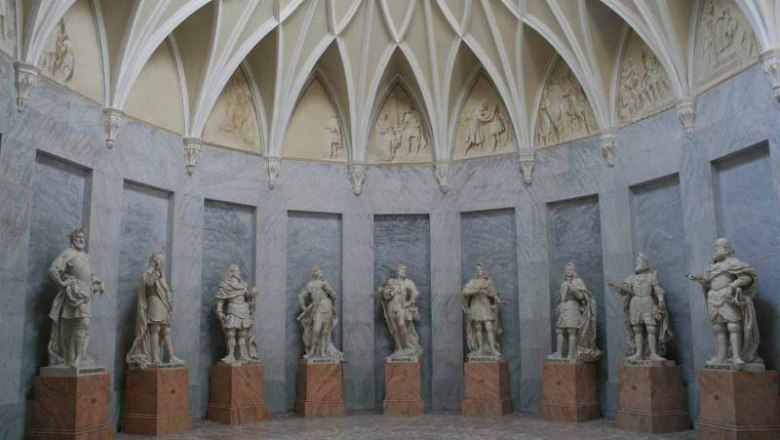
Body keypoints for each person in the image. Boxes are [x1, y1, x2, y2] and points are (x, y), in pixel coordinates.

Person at [688, 238, 761, 367]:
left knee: (733, 326)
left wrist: (732, 286)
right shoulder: (712, 266)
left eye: (718, 246)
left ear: (726, 248)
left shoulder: (733, 262)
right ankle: (721, 356)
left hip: (726, 296)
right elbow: (709, 283)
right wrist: (701, 280)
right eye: (715, 247)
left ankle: (736, 356)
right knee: (718, 328)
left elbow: (747, 277)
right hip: (713, 297)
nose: (715, 249)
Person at [47, 228, 105, 368]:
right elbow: (53, 270)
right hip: (74, 293)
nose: (81, 239)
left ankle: (78, 356)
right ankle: (75, 358)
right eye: (78, 237)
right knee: (80, 323)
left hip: (86, 294)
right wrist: (62, 283)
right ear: (72, 239)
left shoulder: (86, 256)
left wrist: (99, 282)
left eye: (83, 237)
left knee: (82, 325)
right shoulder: (68, 253)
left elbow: (88, 276)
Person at [609, 254, 672, 362]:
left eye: (639, 261)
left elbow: (658, 290)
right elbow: (624, 290)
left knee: (651, 328)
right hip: (635, 303)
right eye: (637, 262)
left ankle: (653, 353)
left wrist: (661, 300)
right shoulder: (631, 278)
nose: (637, 264)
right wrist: (619, 288)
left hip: (648, 302)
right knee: (637, 329)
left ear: (645, 263)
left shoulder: (651, 277)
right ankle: (638, 353)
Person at [126, 252, 183, 367]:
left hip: (163, 304)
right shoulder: (149, 273)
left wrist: (169, 300)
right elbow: (149, 283)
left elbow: (165, 291)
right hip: (154, 302)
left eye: (162, 260)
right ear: (154, 260)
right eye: (159, 260)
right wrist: (153, 270)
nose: (161, 263)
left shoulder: (161, 276)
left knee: (166, 329)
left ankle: (171, 356)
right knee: (155, 328)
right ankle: (154, 357)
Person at [548, 262, 602, 362]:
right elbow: (560, 297)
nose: (568, 271)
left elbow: (582, 297)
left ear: (574, 271)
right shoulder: (563, 283)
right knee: (559, 330)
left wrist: (573, 290)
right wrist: (559, 306)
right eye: (566, 270)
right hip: (563, 308)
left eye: (570, 269)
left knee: (571, 330)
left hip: (573, 306)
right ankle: (559, 353)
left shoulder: (578, 281)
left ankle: (571, 354)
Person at [214, 265, 259, 363]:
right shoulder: (225, 286)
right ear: (231, 272)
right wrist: (220, 313)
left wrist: (253, 293)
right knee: (231, 334)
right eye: (235, 271)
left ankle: (242, 354)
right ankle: (231, 354)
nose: (237, 273)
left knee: (243, 334)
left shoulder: (243, 285)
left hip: (244, 310)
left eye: (238, 270)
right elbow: (220, 301)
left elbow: (248, 296)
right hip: (232, 310)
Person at [297, 266, 343, 361]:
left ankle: (323, 352)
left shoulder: (324, 283)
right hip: (317, 309)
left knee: (325, 331)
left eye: (319, 271)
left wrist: (328, 289)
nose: (319, 272)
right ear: (314, 274)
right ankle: (312, 352)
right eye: (317, 271)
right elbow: (301, 296)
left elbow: (333, 295)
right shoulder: (310, 285)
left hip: (327, 307)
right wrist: (304, 307)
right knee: (316, 330)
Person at [377, 264, 423, 358]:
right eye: (401, 269)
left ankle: (407, 347)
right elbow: (385, 294)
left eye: (404, 269)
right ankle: (399, 349)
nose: (403, 271)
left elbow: (415, 293)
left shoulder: (408, 282)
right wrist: (384, 291)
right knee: (394, 328)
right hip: (391, 306)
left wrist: (409, 302)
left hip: (401, 307)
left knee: (401, 325)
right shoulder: (391, 281)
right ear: (397, 270)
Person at [462, 264, 504, 357]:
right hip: (476, 304)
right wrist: (474, 291)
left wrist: (498, 301)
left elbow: (494, 293)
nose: (479, 271)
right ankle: (480, 349)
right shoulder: (473, 282)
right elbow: (465, 292)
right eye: (477, 270)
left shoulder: (488, 282)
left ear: (484, 271)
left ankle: (493, 349)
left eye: (480, 270)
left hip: (485, 304)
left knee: (489, 326)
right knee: (478, 327)